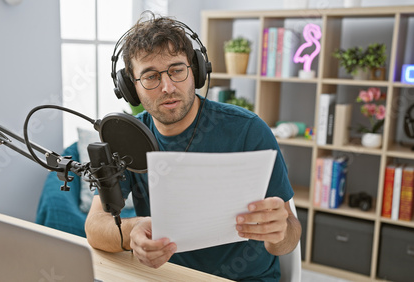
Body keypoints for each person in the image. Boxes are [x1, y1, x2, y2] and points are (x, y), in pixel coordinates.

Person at [85, 12, 301, 281]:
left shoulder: (248, 130)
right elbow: (95, 226)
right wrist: (132, 231)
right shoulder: (127, 139)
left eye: (177, 70)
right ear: (131, 87)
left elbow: (290, 235)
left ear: (195, 71)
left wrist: (278, 233)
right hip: (167, 276)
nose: (167, 87)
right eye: (151, 77)